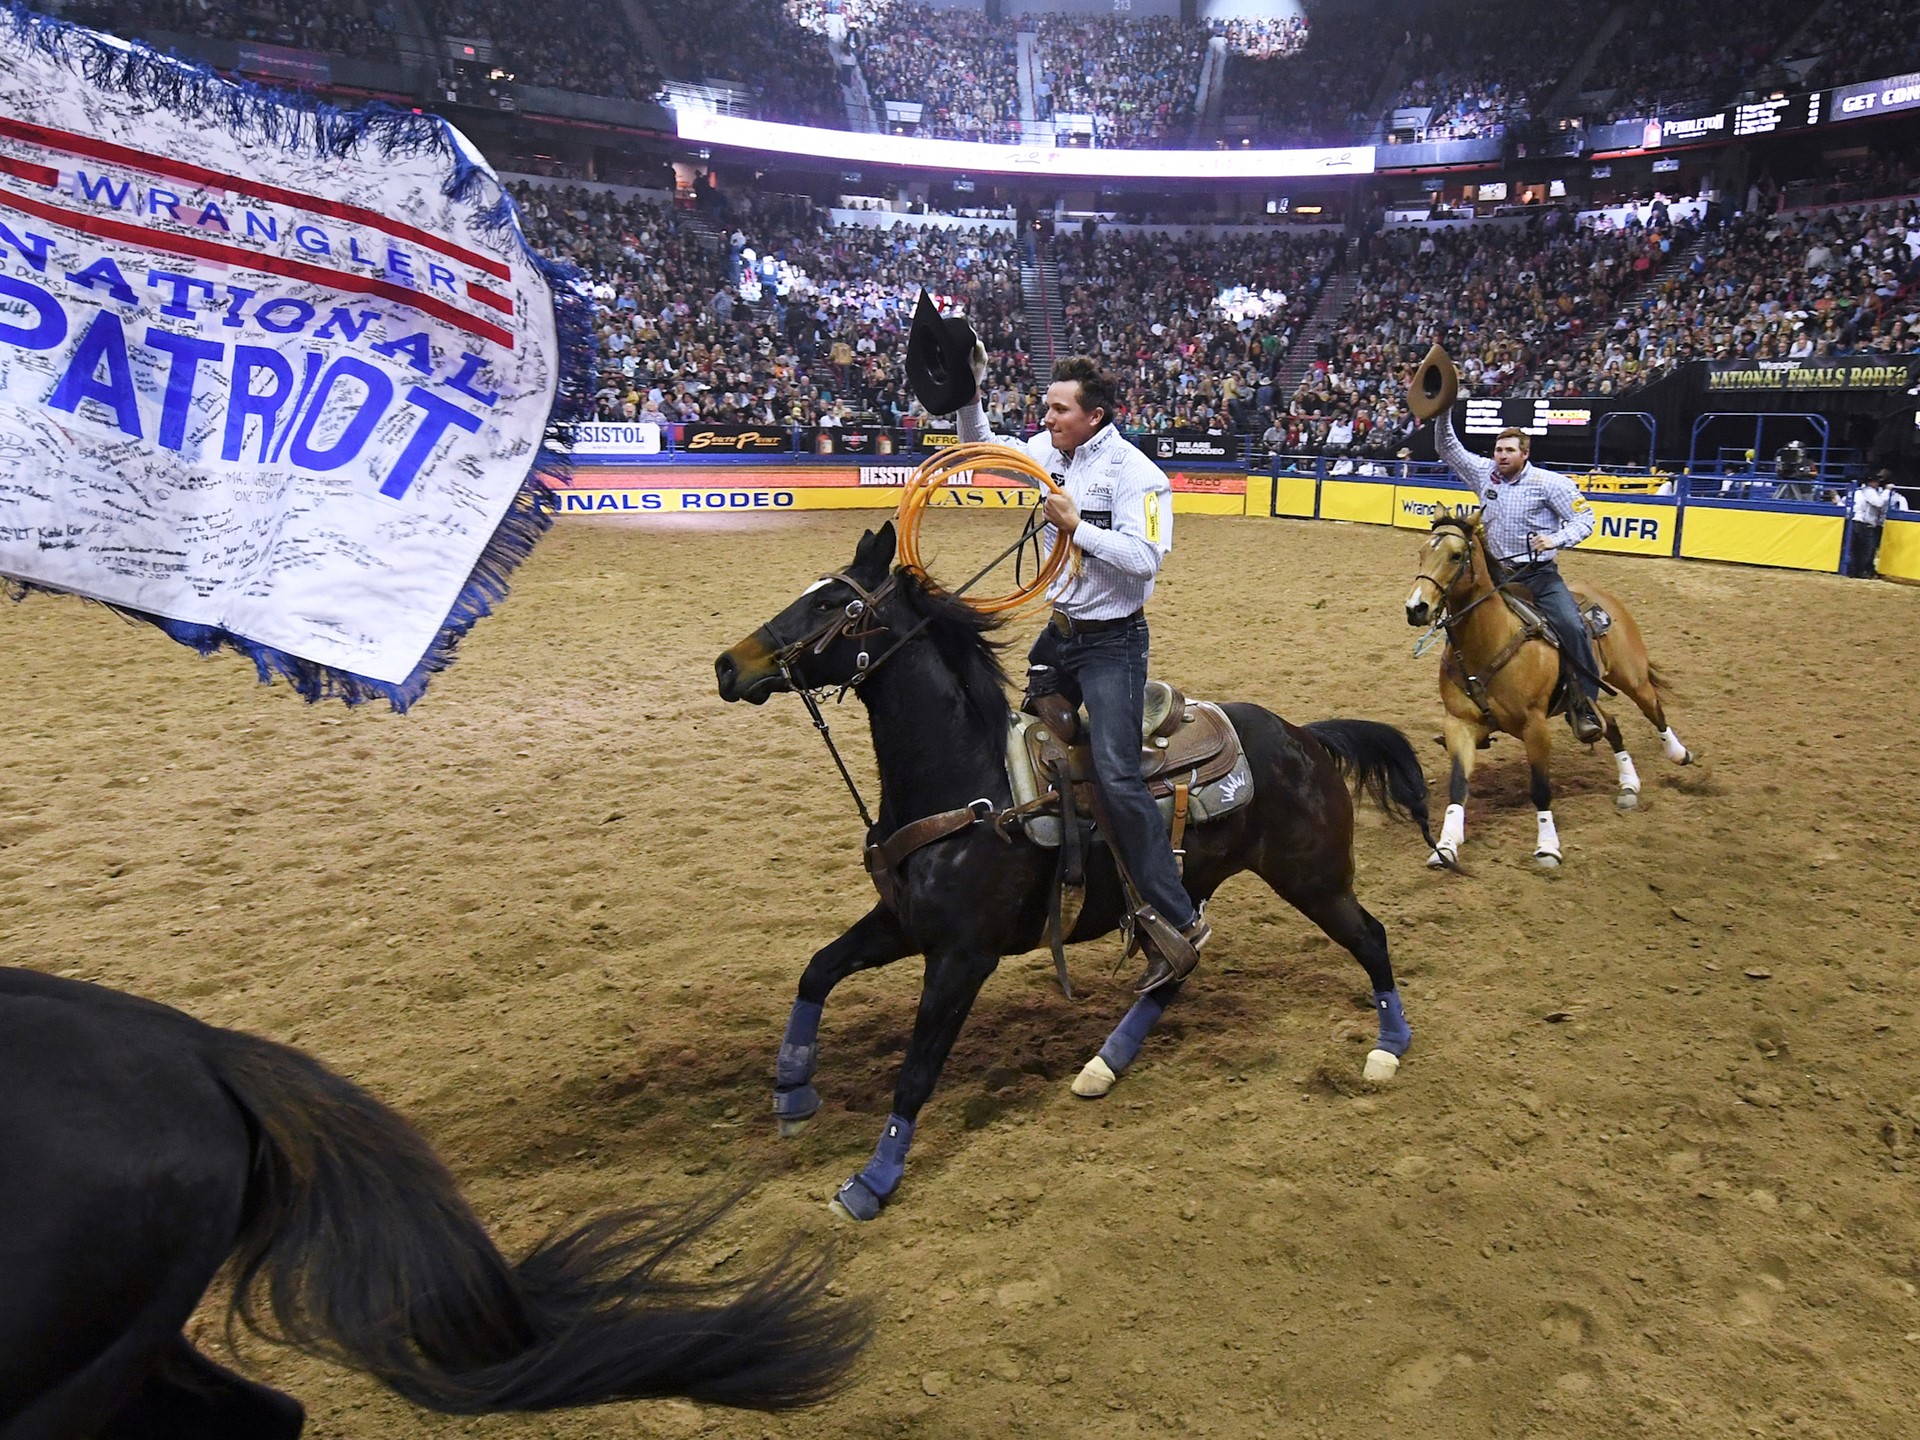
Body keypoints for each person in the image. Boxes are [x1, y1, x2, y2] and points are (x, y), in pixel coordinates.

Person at [950, 349, 1207, 992]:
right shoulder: (1046, 452)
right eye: (1047, 407)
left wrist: (1076, 527)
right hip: (1060, 636)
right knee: (1018, 735)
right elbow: (977, 445)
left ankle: (1178, 913)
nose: (1047, 416)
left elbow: (1145, 560)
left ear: (1093, 416)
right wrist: (970, 385)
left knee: (1119, 775)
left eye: (1059, 409)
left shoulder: (1137, 475)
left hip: (1113, 644)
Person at [1432, 413, 1604, 742]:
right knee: (1463, 630)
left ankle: (1584, 705)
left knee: (1570, 625)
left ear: (1525, 453)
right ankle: (1470, 711)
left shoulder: (1550, 483)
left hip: (1538, 575)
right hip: (1496, 575)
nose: (1502, 455)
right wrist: (1443, 410)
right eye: (1498, 449)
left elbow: (1585, 518)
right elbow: (1447, 447)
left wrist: (1555, 540)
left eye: (1510, 450)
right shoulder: (1484, 473)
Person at [1848, 467, 1894, 577]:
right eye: (1876, 481)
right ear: (1871, 482)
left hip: (1861, 522)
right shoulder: (1869, 491)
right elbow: (1878, 503)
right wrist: (1887, 491)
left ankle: (1859, 571)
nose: (1878, 483)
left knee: (1861, 548)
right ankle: (1863, 571)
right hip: (1864, 523)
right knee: (1867, 549)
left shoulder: (1861, 491)